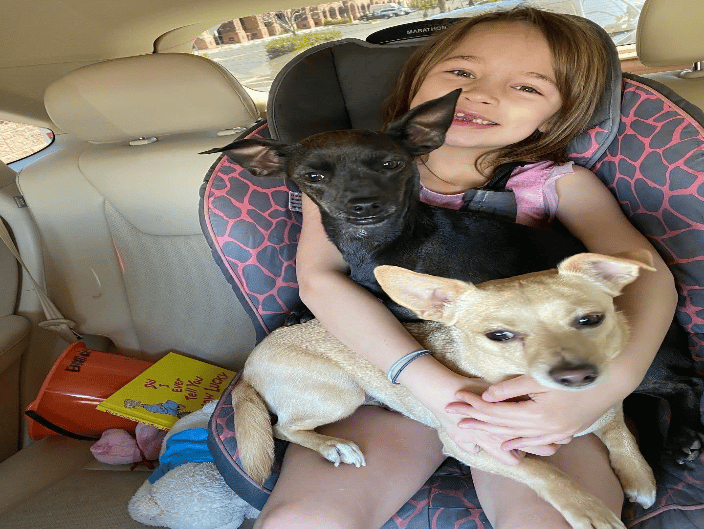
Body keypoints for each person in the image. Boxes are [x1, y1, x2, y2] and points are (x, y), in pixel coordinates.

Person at [253, 7, 677, 529]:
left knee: (551, 522)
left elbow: (646, 276)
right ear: (415, 87)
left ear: (556, 116)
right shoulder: (338, 175)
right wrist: (433, 386)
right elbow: (319, 281)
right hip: (381, 378)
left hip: (529, 382)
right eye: (461, 72)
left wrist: (607, 387)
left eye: (527, 87)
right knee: (304, 520)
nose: (481, 94)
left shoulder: (558, 185)